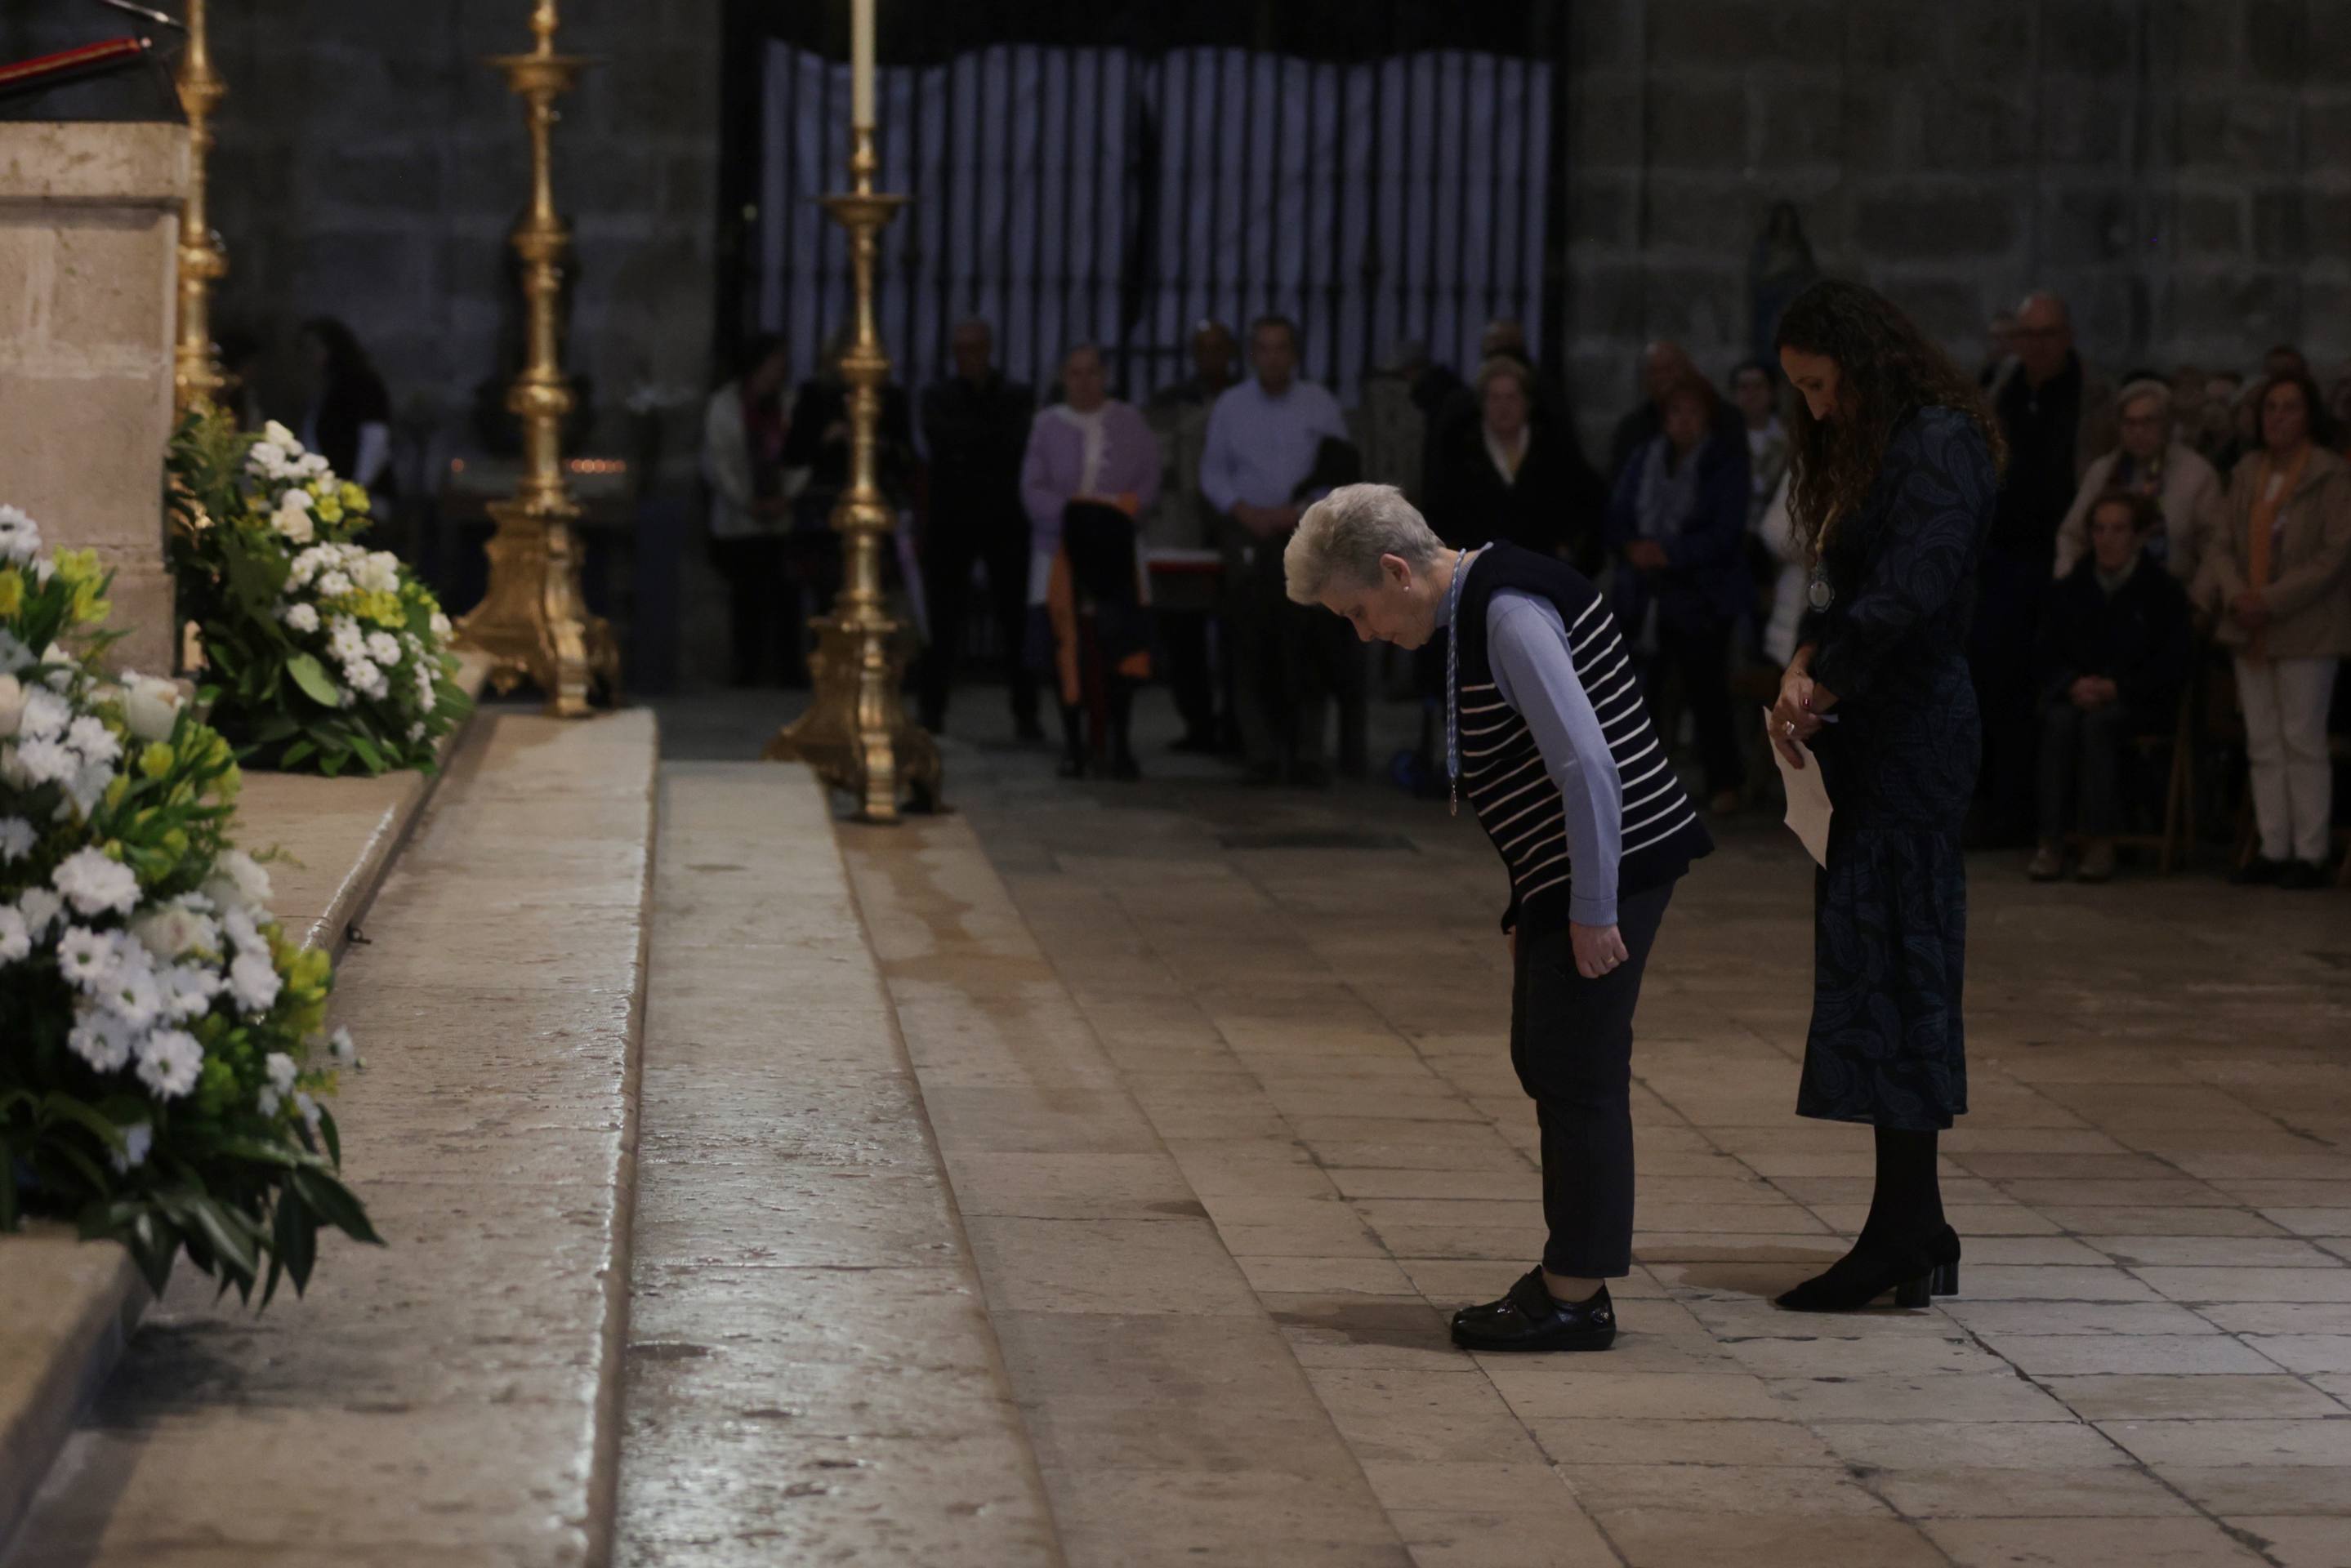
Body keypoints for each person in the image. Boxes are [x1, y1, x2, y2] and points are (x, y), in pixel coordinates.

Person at [1284, 483, 1711, 1352]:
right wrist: (1535, 902)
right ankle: (1569, 1275)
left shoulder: (1507, 613)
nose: (1363, 633)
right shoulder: (1466, 611)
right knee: (1547, 1053)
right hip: (1576, 872)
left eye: (1359, 611)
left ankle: (1575, 1294)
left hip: (1613, 867)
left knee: (1575, 1066)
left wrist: (1589, 910)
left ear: (1397, 571)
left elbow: (1588, 769)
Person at [1767, 278, 2005, 1312]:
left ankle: (1904, 1227)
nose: (1816, 409)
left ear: (1862, 363)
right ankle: (1914, 1221)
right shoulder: (1867, 446)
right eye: (1801, 393)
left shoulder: (1940, 439)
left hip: (1914, 731)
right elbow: (1836, 571)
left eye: (1821, 387)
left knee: (1902, 968)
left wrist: (1832, 673)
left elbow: (1914, 582)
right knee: (1871, 967)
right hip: (1867, 726)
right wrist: (1804, 655)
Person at [1973, 291, 2118, 844]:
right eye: (2027, 335)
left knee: (2051, 681)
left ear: (2067, 336)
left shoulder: (2093, 395)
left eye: (2047, 334)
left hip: (2065, 561)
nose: (2036, 345)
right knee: (1994, 680)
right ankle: (2000, 807)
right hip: (2001, 559)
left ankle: (2052, 817)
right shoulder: (2000, 388)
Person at [2196, 370, 2351, 890]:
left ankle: (2310, 852)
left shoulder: (2331, 473)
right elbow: (2219, 542)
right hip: (2248, 621)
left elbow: (2333, 555)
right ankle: (2273, 843)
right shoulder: (2247, 471)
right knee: (2262, 741)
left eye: (2290, 408)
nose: (2278, 418)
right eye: (2271, 408)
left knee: (2301, 738)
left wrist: (2271, 599)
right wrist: (2239, 592)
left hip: (2305, 623)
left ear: (2310, 416)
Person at [1199, 315, 1354, 786]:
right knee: (1251, 629)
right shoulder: (1231, 406)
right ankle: (1260, 748)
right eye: (1263, 348)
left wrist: (1299, 510)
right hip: (1248, 531)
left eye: (1281, 347)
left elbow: (1339, 469)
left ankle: (1308, 748)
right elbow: (1213, 474)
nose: (1272, 357)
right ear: (1252, 354)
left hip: (1305, 530)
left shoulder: (1319, 404)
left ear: (1295, 353)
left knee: (1313, 629)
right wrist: (1246, 512)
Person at [1604, 375, 1751, 813]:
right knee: (1637, 692)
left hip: (1700, 592)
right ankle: (1637, 784)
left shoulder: (1724, 462)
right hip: (1646, 592)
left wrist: (1671, 553)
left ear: (1707, 419)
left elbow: (1725, 531)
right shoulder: (1645, 458)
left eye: (1693, 413)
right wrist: (1634, 547)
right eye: (1676, 412)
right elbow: (1617, 514)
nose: (1684, 422)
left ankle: (1724, 781)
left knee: (1706, 691)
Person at [2030, 492, 2195, 883]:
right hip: (2079, 694)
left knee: (2098, 725)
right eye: (2099, 529)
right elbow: (2044, 652)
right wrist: (2072, 684)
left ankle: (2101, 840)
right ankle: (2050, 841)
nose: (2107, 538)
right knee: (2058, 721)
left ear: (2138, 535)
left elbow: (2173, 664)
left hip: (2137, 699)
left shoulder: (2162, 593)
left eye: (2118, 529)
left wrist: (2117, 687)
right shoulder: (2072, 588)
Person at [1020, 343, 1162, 780]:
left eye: (1092, 372)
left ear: (1105, 375)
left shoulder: (1130, 422)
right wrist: (1075, 518)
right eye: (1075, 373)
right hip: (1059, 551)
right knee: (1066, 646)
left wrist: (1111, 516)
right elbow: (1032, 488)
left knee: (1120, 642)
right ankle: (1073, 743)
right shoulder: (1045, 426)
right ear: (1064, 378)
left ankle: (1119, 742)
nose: (1084, 382)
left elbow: (1148, 480)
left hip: (1117, 550)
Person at [918, 320, 1039, 740]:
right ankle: (931, 710)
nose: (966, 358)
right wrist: (984, 440)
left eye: (973, 349)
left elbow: (1017, 443)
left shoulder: (1016, 395)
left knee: (1015, 619)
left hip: (1004, 518)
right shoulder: (937, 396)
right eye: (960, 350)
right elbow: (943, 440)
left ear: (988, 350)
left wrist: (970, 442)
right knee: (942, 619)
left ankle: (1027, 712)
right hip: (952, 519)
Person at [1145, 319, 1243, 754]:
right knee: (1182, 634)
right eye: (1203, 348)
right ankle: (1198, 724)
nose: (1211, 357)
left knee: (1238, 636)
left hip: (1238, 526)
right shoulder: (1170, 402)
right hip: (1184, 528)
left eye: (1219, 347)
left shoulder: (1248, 399)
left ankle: (1239, 727)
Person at [701, 332, 810, 686]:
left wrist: (786, 497)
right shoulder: (725, 405)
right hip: (739, 520)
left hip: (780, 516)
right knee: (746, 598)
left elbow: (802, 457)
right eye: (775, 363)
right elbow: (719, 463)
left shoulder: (790, 405)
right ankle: (746, 669)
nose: (780, 371)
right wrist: (747, 501)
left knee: (785, 596)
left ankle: (787, 670)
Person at [2050, 379, 2224, 586]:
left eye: (2148, 422)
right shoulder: (2103, 471)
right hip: (2103, 596)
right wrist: (2066, 582)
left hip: (2174, 596)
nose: (2138, 431)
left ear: (2166, 424)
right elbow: (2072, 535)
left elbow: (2214, 547)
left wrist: (2198, 603)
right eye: (2130, 423)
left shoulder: (2197, 474)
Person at [1608, 341, 1743, 481]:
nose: (1663, 378)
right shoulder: (1633, 429)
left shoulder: (1725, 418)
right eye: (1654, 371)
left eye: (1669, 369)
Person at [299, 317, 395, 506]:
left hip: (359, 495)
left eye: (314, 349)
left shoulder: (361, 384)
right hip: (332, 489)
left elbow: (374, 437)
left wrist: (358, 489)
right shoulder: (328, 387)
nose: (309, 357)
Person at [1747, 201, 1819, 368]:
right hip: (1769, 305)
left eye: (1788, 221)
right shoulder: (1765, 247)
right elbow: (1758, 278)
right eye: (1782, 221)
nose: (1785, 225)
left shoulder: (1800, 247)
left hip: (1791, 304)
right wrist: (1781, 269)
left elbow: (1809, 276)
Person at [1731, 360, 1789, 531]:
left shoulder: (1789, 439)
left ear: (1772, 392)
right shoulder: (1724, 439)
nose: (1751, 394)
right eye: (1744, 387)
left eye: (1758, 386)